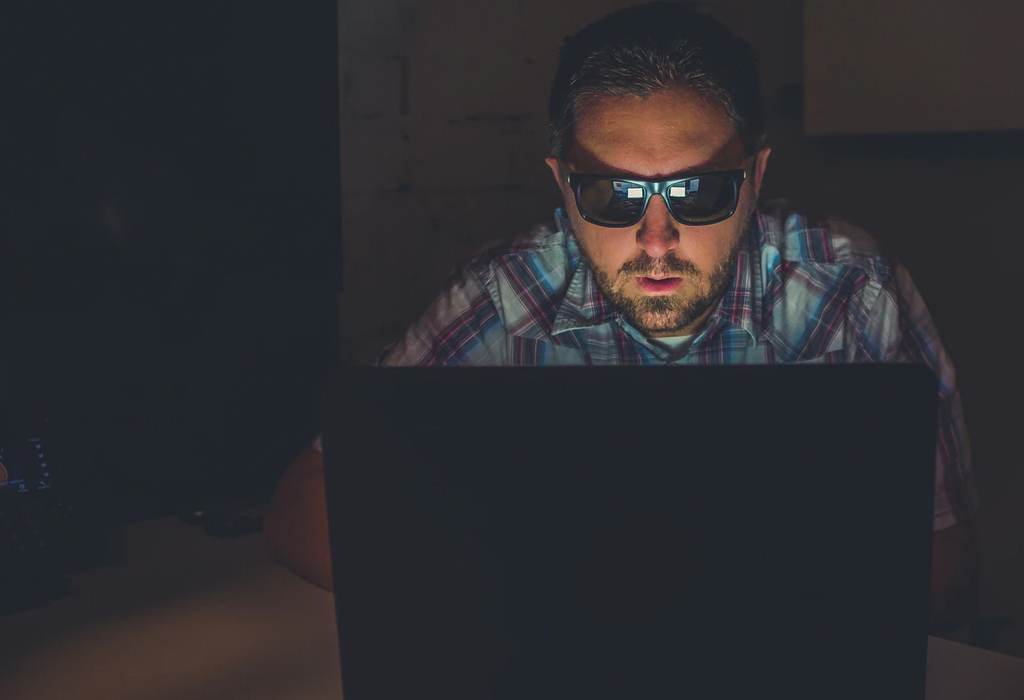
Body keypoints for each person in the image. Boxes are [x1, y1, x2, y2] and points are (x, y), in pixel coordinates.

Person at [264, 1, 980, 634]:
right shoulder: (503, 295)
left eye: (698, 191)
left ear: (756, 179)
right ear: (563, 188)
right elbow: (304, 501)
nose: (657, 239)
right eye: (613, 195)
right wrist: (506, 602)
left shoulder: (854, 290)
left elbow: (945, 562)